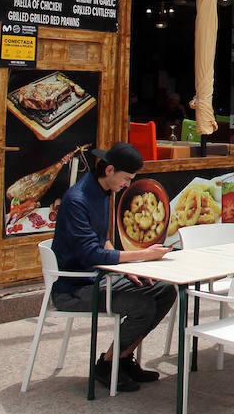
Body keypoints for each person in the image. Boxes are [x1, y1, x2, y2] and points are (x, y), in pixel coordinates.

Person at [50, 142, 173, 392]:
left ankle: (123, 358)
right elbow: (90, 254)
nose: (128, 185)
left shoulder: (103, 192)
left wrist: (127, 267)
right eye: (126, 178)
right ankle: (107, 365)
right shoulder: (77, 200)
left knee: (165, 290)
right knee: (143, 305)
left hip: (98, 278)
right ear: (109, 170)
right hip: (73, 288)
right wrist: (142, 256)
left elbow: (103, 239)